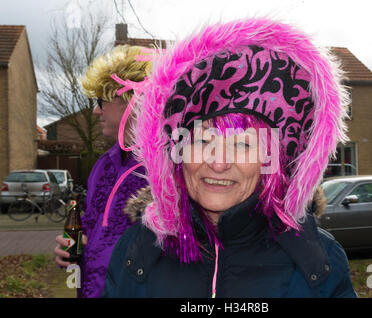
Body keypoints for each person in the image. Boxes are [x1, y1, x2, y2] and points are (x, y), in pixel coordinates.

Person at [103, 18, 357, 298]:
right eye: (202, 140)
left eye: (242, 144)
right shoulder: (135, 253)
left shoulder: (319, 264)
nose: (219, 162)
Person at [54, 45, 151, 298]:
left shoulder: (164, 168)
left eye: (101, 101)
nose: (96, 111)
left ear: (131, 100)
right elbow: (89, 225)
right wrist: (73, 245)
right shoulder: (104, 163)